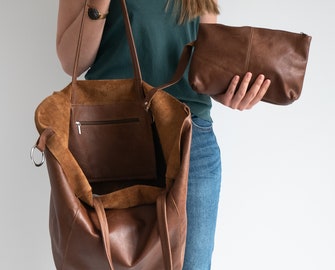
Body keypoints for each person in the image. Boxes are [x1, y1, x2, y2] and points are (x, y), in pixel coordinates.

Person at [56, 0, 271, 269]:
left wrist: (231, 92)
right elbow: (70, 60)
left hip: (191, 137)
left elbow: (202, 63)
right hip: (112, 138)